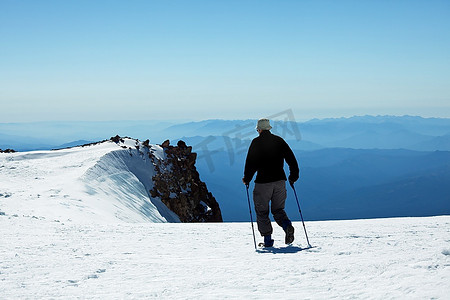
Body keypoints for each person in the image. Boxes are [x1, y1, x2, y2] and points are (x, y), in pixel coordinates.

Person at [242, 118, 299, 247]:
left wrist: (247, 178)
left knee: (262, 212)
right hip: (280, 181)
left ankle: (268, 241)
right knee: (278, 209)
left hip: (263, 183)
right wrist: (293, 176)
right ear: (269, 128)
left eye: (257, 129)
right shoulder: (279, 141)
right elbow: (291, 159)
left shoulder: (256, 143)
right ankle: (287, 226)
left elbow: (250, 163)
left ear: (260, 129)